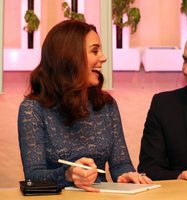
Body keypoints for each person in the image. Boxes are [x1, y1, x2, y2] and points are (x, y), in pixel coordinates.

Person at [18, 20, 152, 192]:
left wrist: (127, 175)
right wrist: (67, 174)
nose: (103, 57)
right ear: (69, 57)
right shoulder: (33, 109)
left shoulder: (107, 105)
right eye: (95, 51)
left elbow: (121, 164)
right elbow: (33, 176)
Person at [138, 30, 187, 182]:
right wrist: (180, 176)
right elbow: (148, 169)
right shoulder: (164, 106)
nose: (186, 70)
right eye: (185, 60)